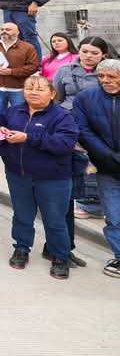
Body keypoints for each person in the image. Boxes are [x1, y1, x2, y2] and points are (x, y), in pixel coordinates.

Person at [0, 75, 78, 279]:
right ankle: (22, 248)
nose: (33, 92)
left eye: (40, 89)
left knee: (55, 220)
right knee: (22, 216)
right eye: (29, 88)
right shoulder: (14, 111)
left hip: (53, 178)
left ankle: (60, 256)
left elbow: (64, 143)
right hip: (18, 175)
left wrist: (29, 138)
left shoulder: (62, 116)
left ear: (52, 93)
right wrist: (0, 130)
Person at [73, 59, 120, 278]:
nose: (106, 81)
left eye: (112, 76)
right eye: (102, 76)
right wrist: (108, 156)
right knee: (114, 215)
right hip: (106, 167)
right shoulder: (86, 98)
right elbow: (83, 130)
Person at [0, 21, 40, 115]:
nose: (4, 31)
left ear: (17, 32)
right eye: (2, 29)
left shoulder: (28, 47)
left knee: (19, 115)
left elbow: (34, 66)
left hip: (18, 89)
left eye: (8, 29)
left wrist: (12, 72)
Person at [54, 36, 111, 110]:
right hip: (69, 112)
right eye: (84, 52)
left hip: (99, 112)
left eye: (95, 53)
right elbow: (56, 97)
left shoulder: (111, 71)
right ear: (79, 51)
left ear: (104, 54)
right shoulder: (64, 70)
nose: (88, 56)